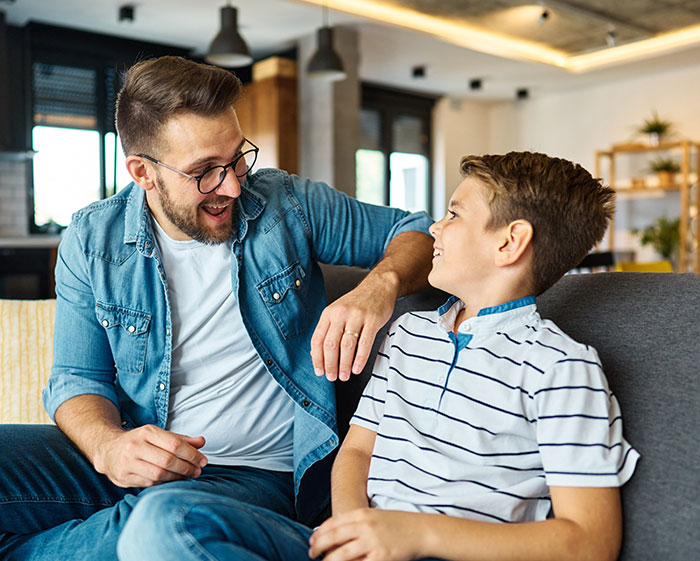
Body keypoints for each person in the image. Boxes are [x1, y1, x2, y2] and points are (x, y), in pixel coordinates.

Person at [0, 55, 433, 560]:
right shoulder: (93, 237)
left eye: (237, 159)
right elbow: (77, 378)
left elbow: (417, 229)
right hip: (138, 454)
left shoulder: (286, 204)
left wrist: (380, 283)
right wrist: (108, 447)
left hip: (254, 474)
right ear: (142, 172)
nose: (231, 185)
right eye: (205, 171)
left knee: (157, 524)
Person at [116, 151, 640, 561]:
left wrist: (415, 534)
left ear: (510, 242)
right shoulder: (410, 334)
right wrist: (351, 530)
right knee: (167, 517)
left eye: (454, 214)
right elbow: (357, 452)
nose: (434, 227)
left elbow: (589, 542)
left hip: (444, 549)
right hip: (356, 543)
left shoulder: (561, 367)